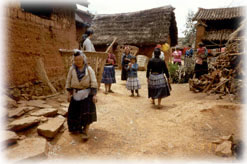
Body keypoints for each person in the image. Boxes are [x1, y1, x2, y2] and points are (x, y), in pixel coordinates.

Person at [65, 50, 98, 140]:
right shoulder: (72, 69)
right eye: (76, 60)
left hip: (87, 94)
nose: (78, 62)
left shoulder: (89, 69)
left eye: (79, 60)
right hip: (76, 93)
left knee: (86, 113)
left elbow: (94, 82)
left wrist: (94, 95)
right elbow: (68, 81)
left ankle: (86, 130)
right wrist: (68, 93)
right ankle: (77, 128)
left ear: (83, 59)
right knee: (74, 112)